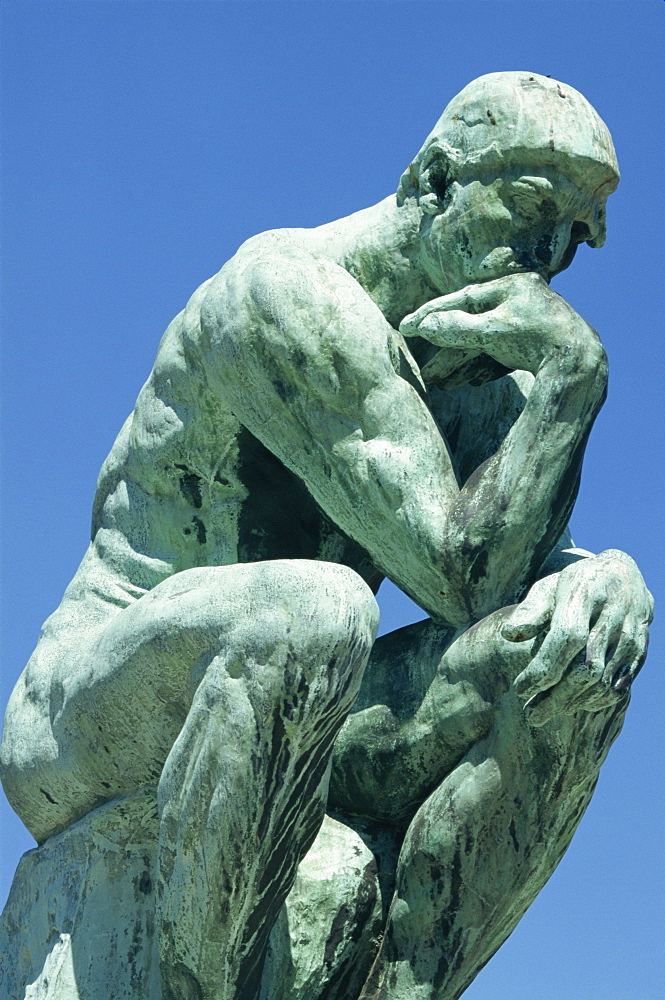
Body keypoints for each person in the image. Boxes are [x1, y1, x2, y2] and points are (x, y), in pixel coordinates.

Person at [0, 72, 653, 1000]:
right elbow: (459, 568)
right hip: (97, 710)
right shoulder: (285, 294)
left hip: (309, 711)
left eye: (575, 238)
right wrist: (574, 377)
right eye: (527, 208)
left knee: (569, 649)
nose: (545, 255)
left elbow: (511, 588)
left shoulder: (490, 378)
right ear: (432, 181)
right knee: (315, 605)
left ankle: (403, 985)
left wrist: (605, 579)